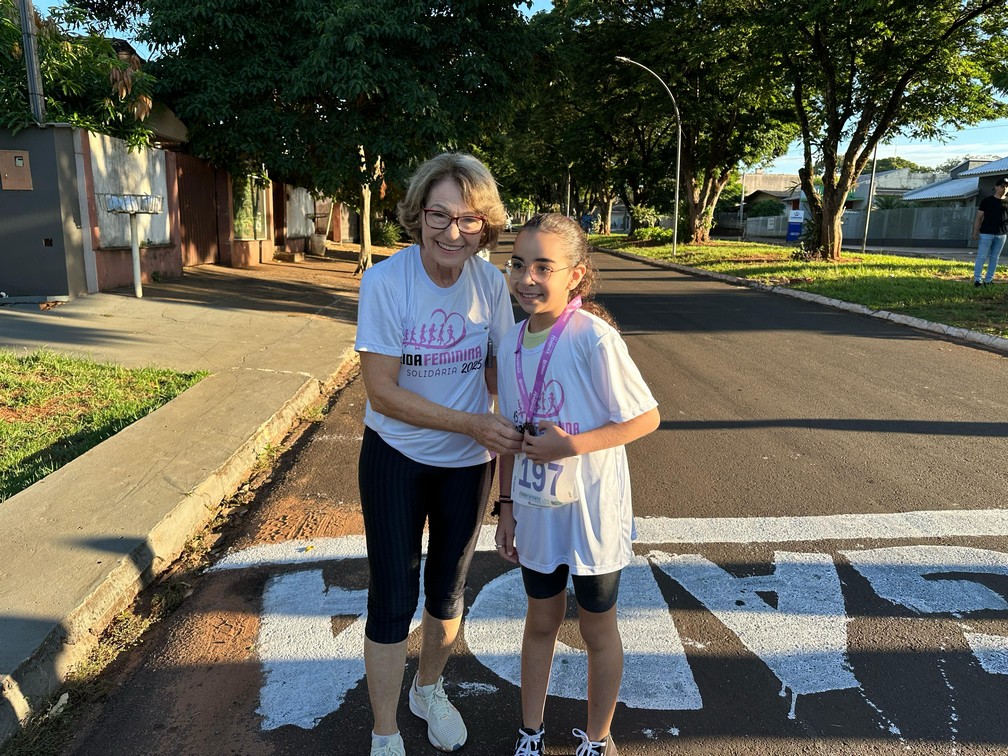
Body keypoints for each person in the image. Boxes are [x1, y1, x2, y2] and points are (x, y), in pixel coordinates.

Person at [354, 152, 523, 756]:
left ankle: (427, 688)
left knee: (448, 591)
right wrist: (471, 422)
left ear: (487, 225)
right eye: (440, 215)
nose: (454, 233)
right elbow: (382, 392)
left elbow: (510, 380)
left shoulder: (491, 286)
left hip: (467, 468)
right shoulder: (386, 281)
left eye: (470, 219)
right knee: (393, 596)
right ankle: (384, 730)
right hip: (396, 456)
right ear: (418, 216)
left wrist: (510, 491)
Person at [493, 213, 660, 756]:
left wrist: (574, 445)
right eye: (518, 264)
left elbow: (645, 418)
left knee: (596, 630)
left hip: (592, 515)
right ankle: (530, 732)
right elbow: (510, 438)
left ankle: (598, 738)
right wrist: (506, 508)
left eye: (544, 267)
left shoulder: (593, 338)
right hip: (537, 512)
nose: (527, 278)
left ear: (576, 278)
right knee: (540, 621)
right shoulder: (512, 341)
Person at [971, 177, 1008, 286]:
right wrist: (975, 232)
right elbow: (979, 217)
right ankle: (977, 280)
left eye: (1007, 187)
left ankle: (988, 280)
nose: (1004, 189)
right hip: (986, 233)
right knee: (981, 257)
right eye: (1002, 186)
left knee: (994, 258)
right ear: (996, 187)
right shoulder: (987, 201)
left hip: (1001, 234)